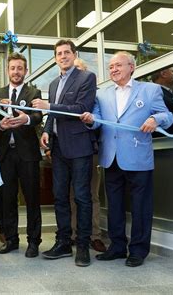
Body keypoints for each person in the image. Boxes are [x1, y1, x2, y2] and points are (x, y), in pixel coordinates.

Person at [80, 51, 173, 267]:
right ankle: (117, 247)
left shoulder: (150, 90)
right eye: (111, 66)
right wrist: (89, 120)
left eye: (118, 65)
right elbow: (97, 121)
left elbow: (168, 116)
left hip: (138, 157)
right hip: (111, 158)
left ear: (131, 67)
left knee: (141, 206)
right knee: (114, 206)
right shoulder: (102, 94)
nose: (113, 69)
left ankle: (139, 251)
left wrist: (154, 119)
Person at [32, 39, 97, 267]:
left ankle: (82, 246)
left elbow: (81, 109)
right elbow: (54, 116)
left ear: (74, 54)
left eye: (66, 52)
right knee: (59, 196)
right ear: (55, 58)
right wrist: (47, 131)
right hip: (58, 149)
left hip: (80, 147)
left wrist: (49, 107)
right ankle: (63, 243)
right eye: (59, 53)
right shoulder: (52, 84)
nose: (62, 56)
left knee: (81, 197)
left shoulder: (86, 78)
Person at [0, 52, 43, 258]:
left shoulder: (34, 92)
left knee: (32, 199)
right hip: (5, 154)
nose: (16, 72)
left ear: (25, 71)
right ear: (7, 70)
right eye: (12, 68)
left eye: (19, 68)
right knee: (7, 199)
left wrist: (27, 119)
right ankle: (11, 239)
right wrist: (0, 125)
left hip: (27, 155)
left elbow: (38, 116)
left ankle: (33, 241)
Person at [71, 57, 107, 253]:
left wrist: (91, 120)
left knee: (91, 194)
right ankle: (74, 234)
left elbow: (100, 122)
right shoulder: (63, 94)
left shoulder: (96, 96)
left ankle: (94, 235)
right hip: (68, 152)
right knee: (71, 195)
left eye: (79, 69)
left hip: (89, 150)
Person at [150, 67, 173, 137]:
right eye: (172, 72)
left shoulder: (164, 92)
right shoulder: (154, 93)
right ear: (163, 74)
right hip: (168, 142)